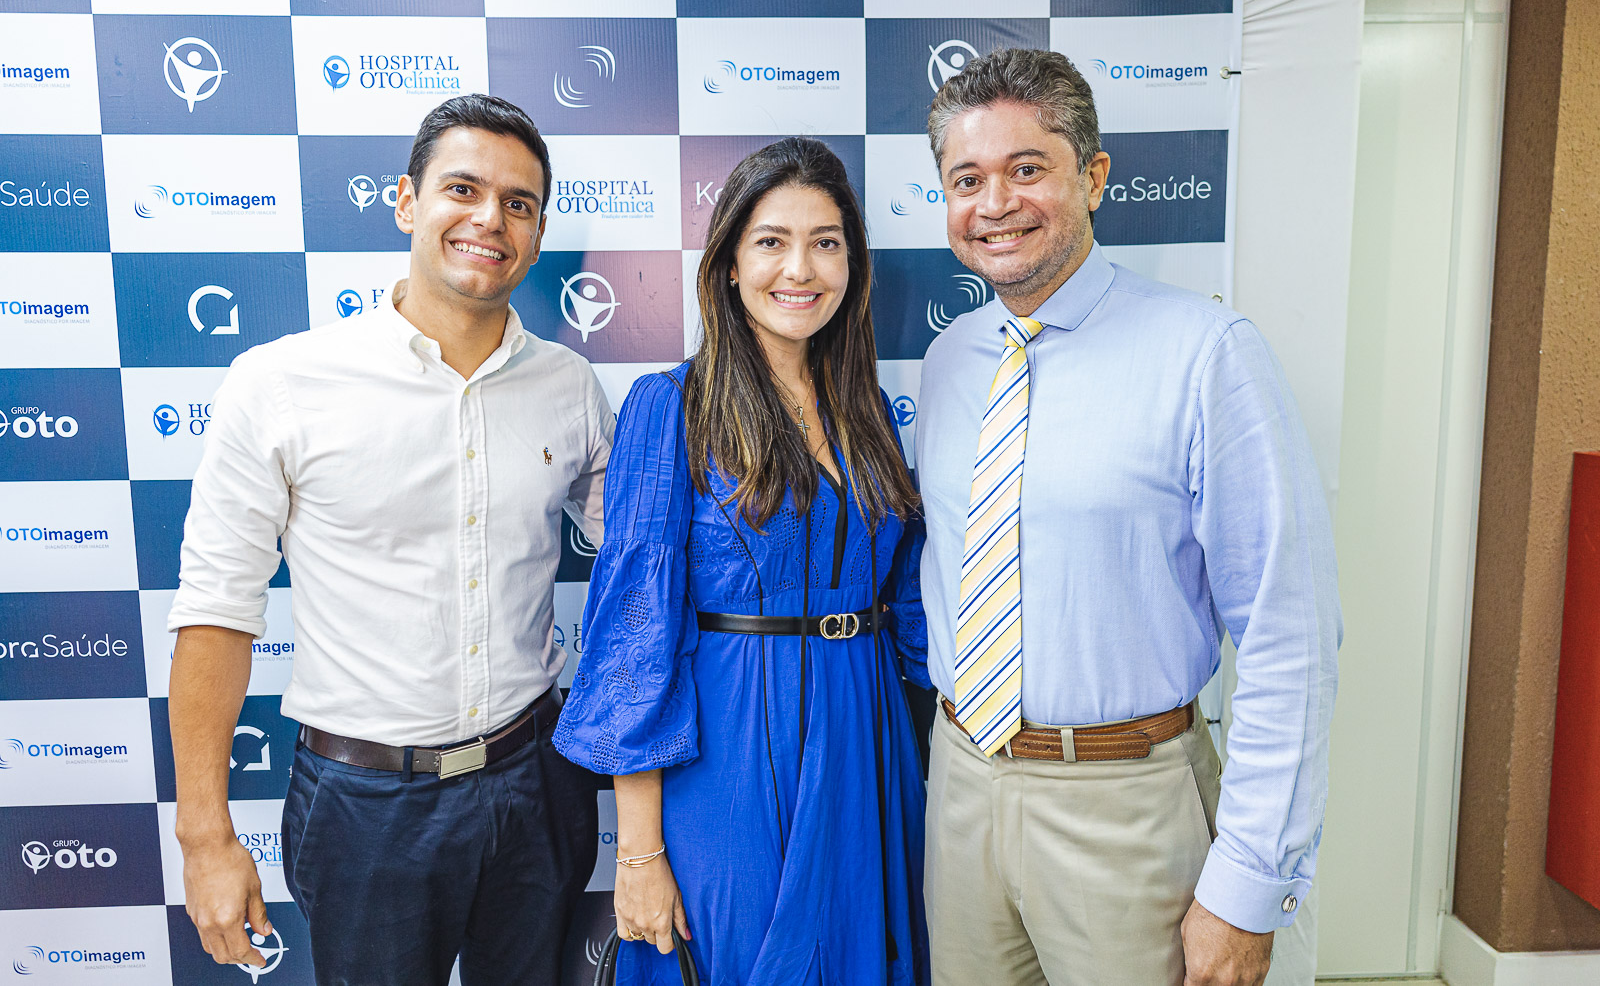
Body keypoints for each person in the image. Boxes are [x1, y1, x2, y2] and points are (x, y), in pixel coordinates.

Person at [167, 93, 614, 986]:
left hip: (536, 782)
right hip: (366, 806)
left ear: (535, 236)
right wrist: (204, 835)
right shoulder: (279, 382)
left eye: (518, 203)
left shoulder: (571, 385)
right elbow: (217, 611)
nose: (490, 219)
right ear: (408, 202)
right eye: (463, 189)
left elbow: (644, 556)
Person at [916, 48, 1341, 986]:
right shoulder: (949, 362)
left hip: (1130, 808)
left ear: (1095, 176)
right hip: (961, 790)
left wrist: (1249, 886)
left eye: (1028, 168)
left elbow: (1290, 637)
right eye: (967, 179)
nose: (995, 203)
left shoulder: (1207, 354)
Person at [554, 137, 931, 985]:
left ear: (852, 263)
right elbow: (636, 644)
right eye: (771, 241)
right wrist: (638, 851)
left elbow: (910, 600)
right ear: (729, 264)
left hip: (868, 736)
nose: (800, 268)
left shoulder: (868, 408)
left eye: (826, 242)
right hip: (728, 755)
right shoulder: (670, 405)